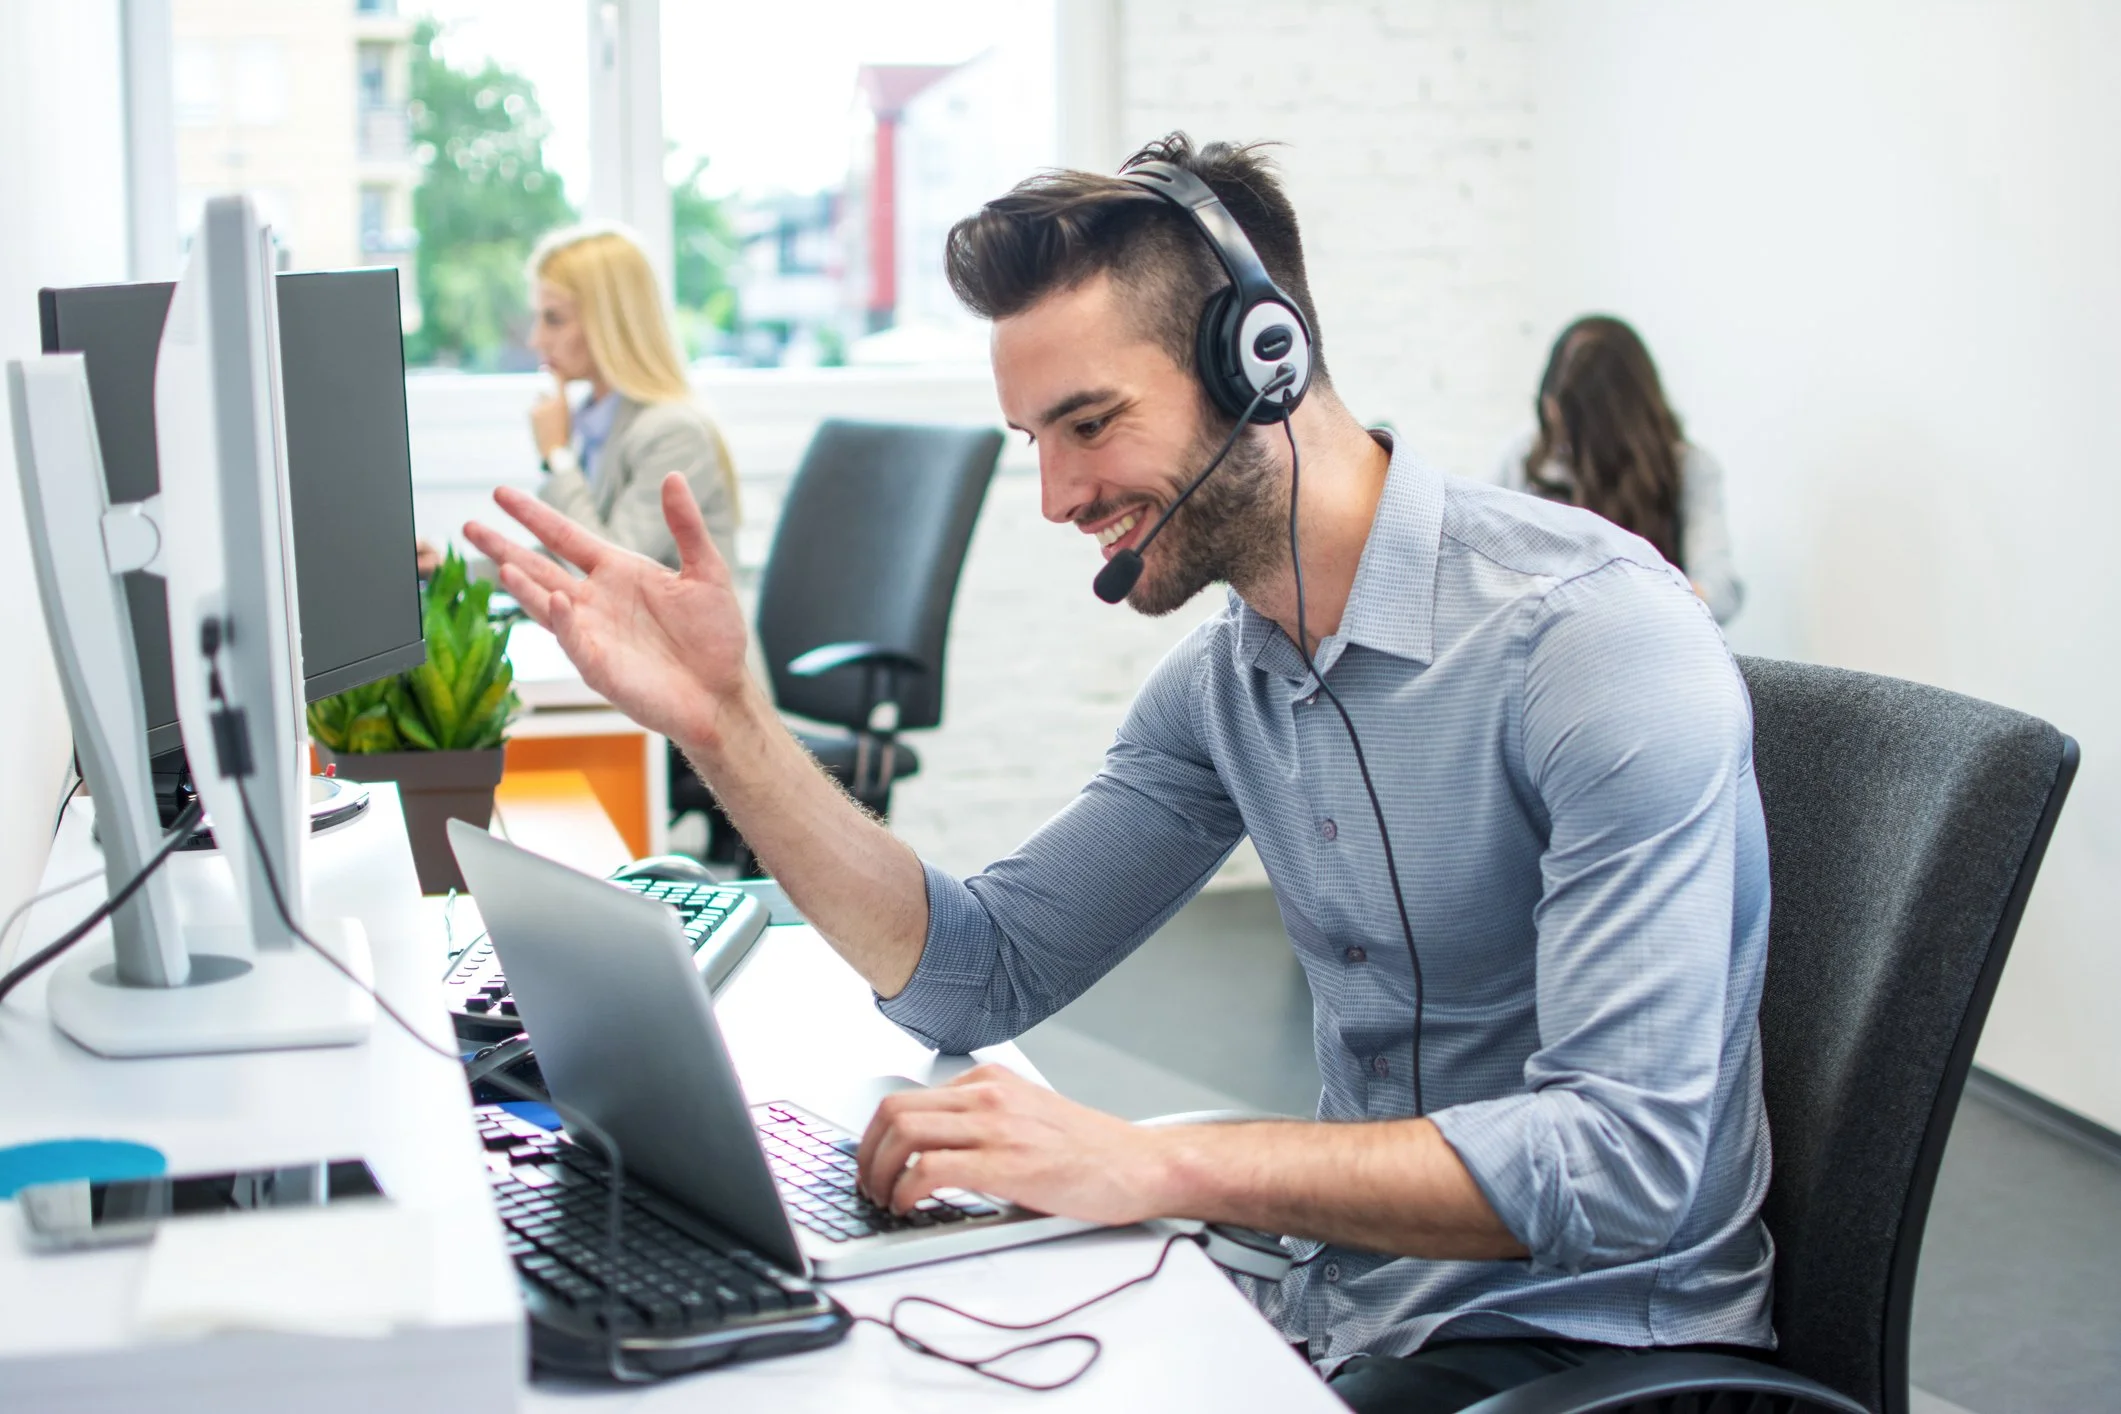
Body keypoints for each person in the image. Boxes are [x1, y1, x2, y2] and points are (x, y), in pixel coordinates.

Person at [464, 135, 1774, 1414]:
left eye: (1087, 423)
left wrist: (1154, 1160)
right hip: (1357, 1307)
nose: (1054, 495)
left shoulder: (1593, 641)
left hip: (1583, 1351)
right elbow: (981, 967)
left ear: (1263, 364)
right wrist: (727, 723)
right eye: (1033, 436)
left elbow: (1625, 1160)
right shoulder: (1231, 684)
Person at [418, 224, 739, 576]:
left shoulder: (674, 433)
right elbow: (560, 556)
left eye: (553, 319)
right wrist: (451, 572)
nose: (536, 339)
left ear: (609, 324)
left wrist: (557, 456)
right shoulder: (601, 418)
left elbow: (602, 573)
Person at [1492, 316, 1743, 623]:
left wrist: (1635, 602)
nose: (1561, 447)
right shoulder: (1525, 456)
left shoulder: (1689, 468)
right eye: (1554, 426)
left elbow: (1720, 591)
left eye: (1572, 433)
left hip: (1644, 646)